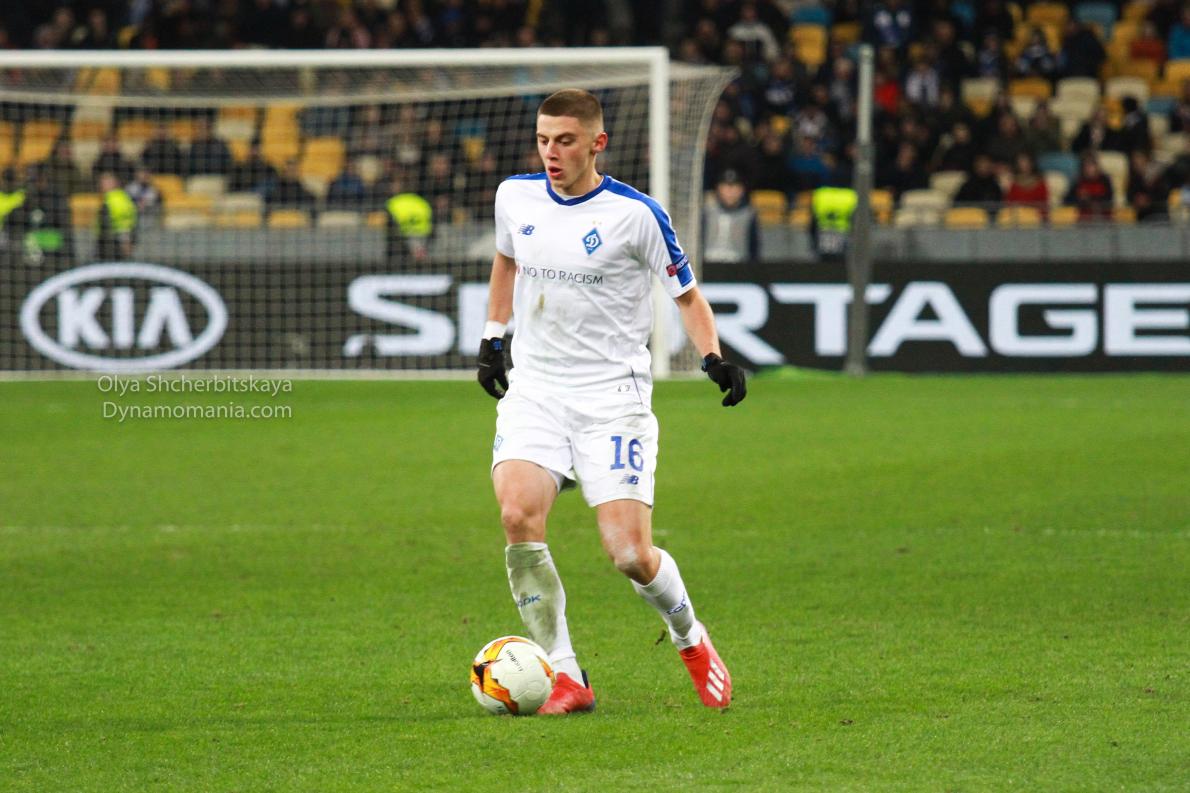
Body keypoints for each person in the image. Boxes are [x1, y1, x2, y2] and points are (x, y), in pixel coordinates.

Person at [476, 89, 745, 714]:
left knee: (630, 555)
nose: (551, 153)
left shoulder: (637, 215)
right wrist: (492, 338)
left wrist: (712, 357)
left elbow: (687, 296)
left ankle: (689, 635)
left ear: (597, 143)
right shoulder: (514, 197)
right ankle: (565, 675)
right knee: (517, 516)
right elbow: (506, 261)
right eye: (543, 140)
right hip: (536, 391)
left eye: (565, 141)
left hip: (611, 398)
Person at [702, 168, 759, 265]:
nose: (730, 192)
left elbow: (753, 248)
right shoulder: (707, 211)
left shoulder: (748, 214)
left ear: (741, 190)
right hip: (708, 264)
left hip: (738, 266)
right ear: (718, 189)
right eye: (726, 187)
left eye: (734, 187)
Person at [382, 172, 432, 265]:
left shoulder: (393, 203)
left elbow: (390, 228)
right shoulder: (422, 202)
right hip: (424, 241)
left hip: (401, 246)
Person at [809, 178, 858, 263]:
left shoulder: (820, 194)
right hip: (842, 239)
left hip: (825, 238)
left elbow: (813, 222)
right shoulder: (851, 196)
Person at [95, 171, 137, 260]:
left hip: (115, 241)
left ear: (115, 183)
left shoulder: (116, 199)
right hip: (112, 239)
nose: (103, 185)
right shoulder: (116, 197)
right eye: (102, 182)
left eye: (107, 182)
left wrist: (125, 239)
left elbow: (126, 222)